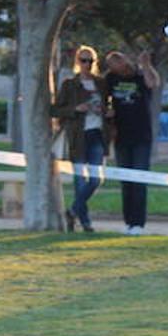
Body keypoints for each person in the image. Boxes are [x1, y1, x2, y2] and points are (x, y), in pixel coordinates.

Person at [52, 45, 110, 233]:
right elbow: (55, 110)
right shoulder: (70, 84)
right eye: (83, 60)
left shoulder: (101, 83)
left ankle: (72, 211)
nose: (87, 64)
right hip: (77, 136)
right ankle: (84, 222)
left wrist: (106, 111)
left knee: (95, 179)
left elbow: (108, 106)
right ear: (78, 62)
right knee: (80, 181)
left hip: (97, 134)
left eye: (90, 61)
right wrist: (76, 109)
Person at [104, 50, 160, 236]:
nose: (116, 68)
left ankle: (138, 223)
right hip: (121, 136)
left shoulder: (139, 75)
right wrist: (108, 113)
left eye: (118, 63)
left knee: (139, 180)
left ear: (125, 61)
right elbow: (105, 99)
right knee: (125, 181)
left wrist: (146, 64)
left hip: (142, 136)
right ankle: (128, 222)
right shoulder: (111, 78)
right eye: (112, 65)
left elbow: (153, 83)